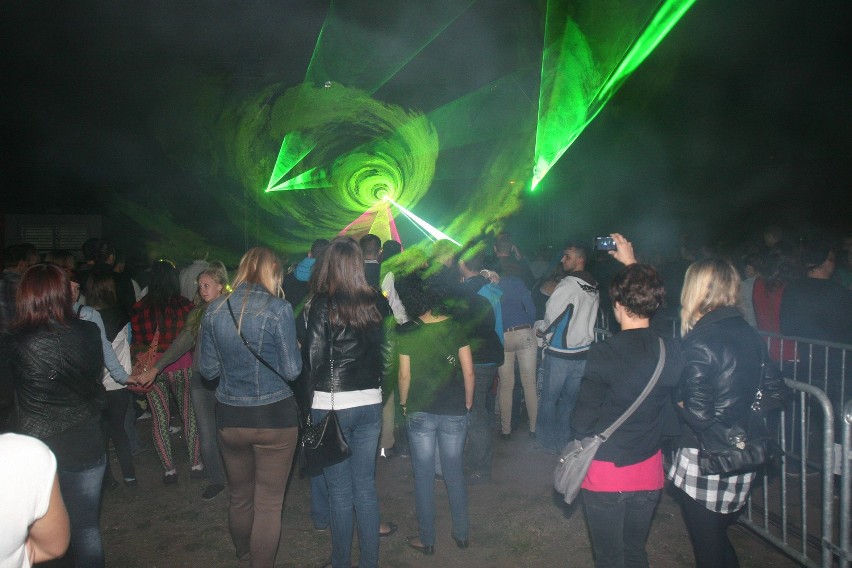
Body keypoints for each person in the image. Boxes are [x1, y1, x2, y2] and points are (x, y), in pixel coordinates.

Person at [669, 258, 786, 568]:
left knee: (708, 551)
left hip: (709, 459)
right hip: (742, 453)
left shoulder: (701, 341)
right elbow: (777, 392)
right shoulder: (748, 332)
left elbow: (699, 415)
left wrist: (678, 403)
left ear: (696, 290)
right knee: (717, 541)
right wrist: (741, 414)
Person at [571, 255, 684, 568]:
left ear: (617, 304)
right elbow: (653, 333)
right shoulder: (671, 350)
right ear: (656, 304)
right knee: (635, 553)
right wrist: (634, 264)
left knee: (609, 559)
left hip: (606, 474)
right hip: (648, 472)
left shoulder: (605, 352)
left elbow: (581, 421)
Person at [198, 247, 302, 568]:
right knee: (269, 505)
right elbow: (292, 371)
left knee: (240, 498)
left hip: (231, 417)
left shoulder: (214, 310)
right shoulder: (278, 308)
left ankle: (244, 555)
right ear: (273, 272)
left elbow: (208, 371)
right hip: (275, 417)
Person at [5, 263, 108, 567]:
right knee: (86, 527)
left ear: (25, 296)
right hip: (86, 439)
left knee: (41, 537)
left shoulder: (13, 342)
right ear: (63, 293)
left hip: (38, 448)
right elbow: (94, 378)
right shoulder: (88, 331)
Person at [300, 236, 388, 568]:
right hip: (369, 403)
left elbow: (313, 358)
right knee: (364, 486)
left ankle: (341, 562)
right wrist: (379, 391)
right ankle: (368, 563)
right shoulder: (376, 302)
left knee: (340, 493)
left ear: (329, 265)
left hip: (332, 404)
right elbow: (388, 356)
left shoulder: (322, 303)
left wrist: (307, 407)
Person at [132, 264, 231, 500]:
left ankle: (237, 476)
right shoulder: (196, 312)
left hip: (228, 379)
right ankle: (216, 479)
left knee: (228, 430)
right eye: (200, 286)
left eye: (207, 286)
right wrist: (156, 368)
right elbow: (180, 343)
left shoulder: (233, 310)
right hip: (199, 377)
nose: (202, 290)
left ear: (221, 285)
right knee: (204, 430)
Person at [396, 271, 475, 555]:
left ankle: (427, 540)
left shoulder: (407, 330)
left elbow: (404, 375)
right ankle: (462, 534)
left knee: (423, 475)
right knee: (454, 473)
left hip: (419, 409)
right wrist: (467, 402)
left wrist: (404, 404)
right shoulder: (455, 326)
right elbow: (468, 369)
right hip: (454, 408)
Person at [129, 259, 202, 484]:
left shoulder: (139, 308)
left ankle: (169, 470)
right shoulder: (185, 305)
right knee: (189, 414)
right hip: (182, 365)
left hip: (152, 369)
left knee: (160, 418)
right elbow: (190, 339)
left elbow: (139, 342)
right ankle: (196, 463)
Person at [535, 243, 600, 453]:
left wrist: (542, 330)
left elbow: (552, 314)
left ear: (580, 260)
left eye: (567, 256)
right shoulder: (593, 284)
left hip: (561, 352)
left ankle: (545, 442)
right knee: (570, 402)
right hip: (583, 352)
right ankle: (564, 442)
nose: (563, 260)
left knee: (549, 400)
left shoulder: (568, 284)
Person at [82, 269, 138, 488]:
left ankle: (106, 480)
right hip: (119, 382)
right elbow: (128, 343)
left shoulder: (83, 318)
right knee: (119, 430)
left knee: (101, 434)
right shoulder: (123, 315)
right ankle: (130, 476)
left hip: (95, 385)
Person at [0, 433, 71, 568]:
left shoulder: (21, 455)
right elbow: (52, 548)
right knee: (86, 526)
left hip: (77, 448)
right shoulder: (22, 454)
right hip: (84, 449)